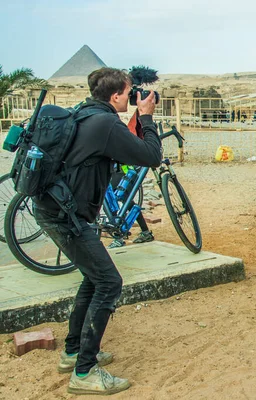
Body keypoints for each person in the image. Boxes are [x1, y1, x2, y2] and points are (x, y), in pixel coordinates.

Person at [32, 67, 162, 395]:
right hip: (66, 217)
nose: (133, 97)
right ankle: (84, 372)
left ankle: (73, 352)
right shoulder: (105, 124)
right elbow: (151, 156)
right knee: (109, 282)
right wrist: (145, 117)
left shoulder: (83, 113)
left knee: (94, 278)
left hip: (54, 209)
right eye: (129, 93)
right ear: (116, 95)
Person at [107, 165, 154, 248]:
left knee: (123, 202)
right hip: (113, 170)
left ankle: (119, 237)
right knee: (113, 202)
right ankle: (145, 232)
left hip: (123, 171)